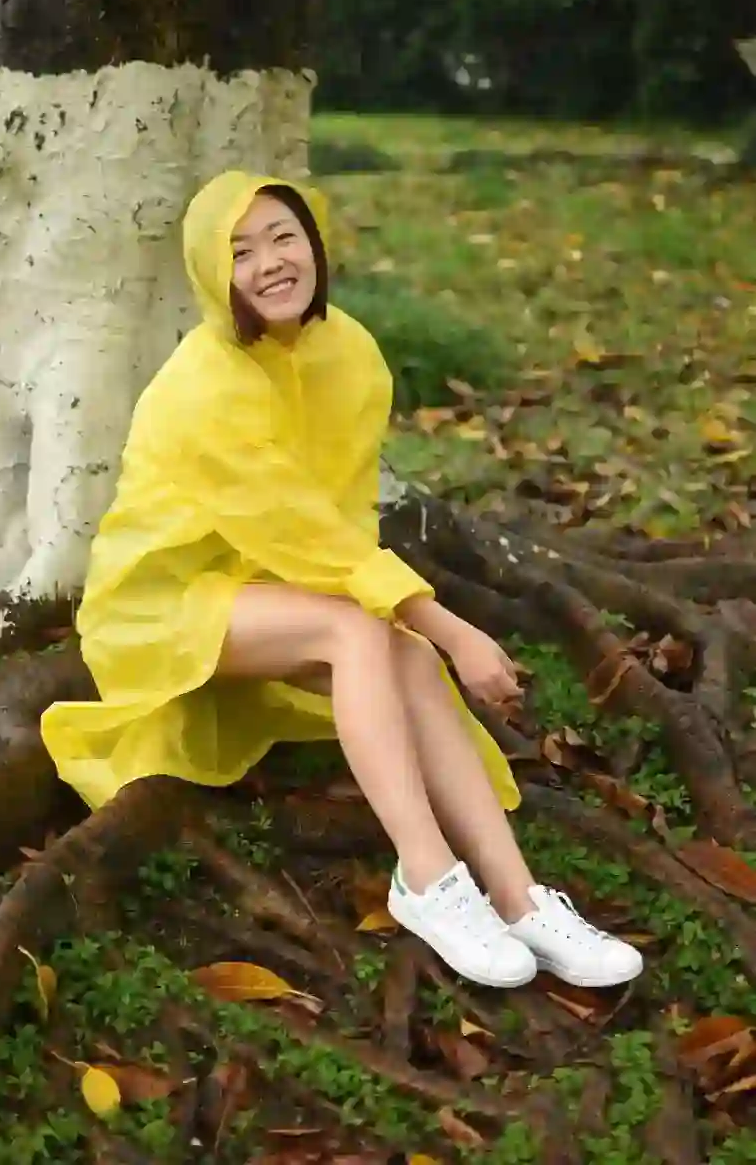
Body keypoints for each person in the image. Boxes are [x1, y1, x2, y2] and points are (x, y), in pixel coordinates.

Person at [41, 170, 642, 991]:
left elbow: (339, 521)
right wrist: (453, 627)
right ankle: (426, 878)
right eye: (239, 252)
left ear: (314, 242)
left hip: (278, 584)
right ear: (212, 275)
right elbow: (300, 529)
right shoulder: (202, 385)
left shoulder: (349, 352)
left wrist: (418, 630)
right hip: (163, 603)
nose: (269, 263)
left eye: (283, 237)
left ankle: (517, 897)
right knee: (359, 628)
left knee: (402, 653)